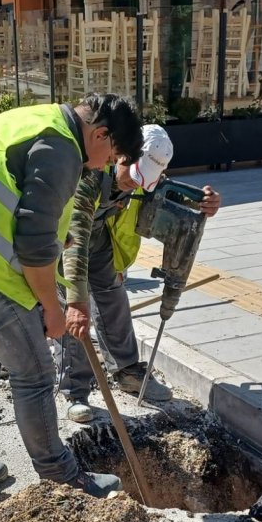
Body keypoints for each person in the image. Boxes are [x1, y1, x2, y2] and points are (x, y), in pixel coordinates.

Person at [0, 93, 143, 502]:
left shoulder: (37, 121)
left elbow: (30, 220)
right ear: (101, 133)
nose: (106, 165)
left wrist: (66, 282)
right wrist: (52, 310)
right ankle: (64, 482)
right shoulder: (61, 149)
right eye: (112, 155)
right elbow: (34, 245)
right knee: (34, 374)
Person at [58, 124, 221, 423]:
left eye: (142, 181)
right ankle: (75, 390)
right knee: (74, 311)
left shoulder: (149, 178)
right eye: (132, 177)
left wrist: (203, 201)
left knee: (114, 300)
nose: (134, 185)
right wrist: (77, 301)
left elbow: (168, 195)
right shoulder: (89, 174)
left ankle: (127, 372)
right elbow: (75, 238)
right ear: (120, 155)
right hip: (66, 238)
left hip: (101, 238)